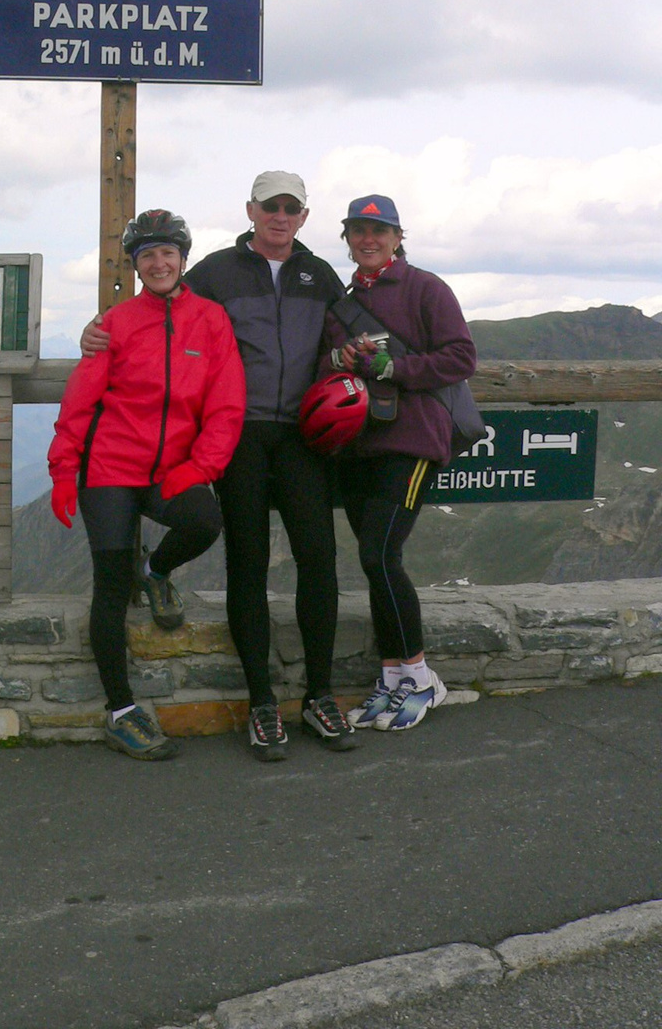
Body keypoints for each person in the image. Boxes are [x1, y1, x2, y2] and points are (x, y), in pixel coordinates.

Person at [82, 173, 357, 760]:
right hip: (241, 437)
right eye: (270, 206)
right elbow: (162, 310)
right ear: (252, 210)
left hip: (304, 434)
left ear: (303, 216)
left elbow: (349, 331)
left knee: (320, 559)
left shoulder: (320, 275)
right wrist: (94, 332)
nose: (280, 216)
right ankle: (262, 703)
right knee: (248, 560)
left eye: (292, 208)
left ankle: (319, 695)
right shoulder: (214, 270)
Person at [50, 209, 245, 760]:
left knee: (205, 521)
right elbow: (81, 400)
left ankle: (157, 571)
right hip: (109, 468)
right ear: (136, 267)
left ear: (183, 259)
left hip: (170, 470)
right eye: (146, 256)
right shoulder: (114, 322)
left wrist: (199, 468)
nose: (158, 263)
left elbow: (226, 404)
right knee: (111, 586)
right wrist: (65, 469)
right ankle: (121, 710)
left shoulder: (210, 320)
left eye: (167, 253)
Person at [322, 194, 478, 733]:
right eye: (358, 231)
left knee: (379, 552)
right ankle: (391, 678)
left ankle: (419, 674)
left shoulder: (426, 288)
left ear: (397, 235)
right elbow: (328, 364)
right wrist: (337, 359)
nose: (368, 240)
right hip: (359, 445)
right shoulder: (344, 301)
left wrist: (396, 366)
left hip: (412, 443)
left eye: (379, 231)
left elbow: (462, 356)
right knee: (374, 561)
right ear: (347, 238)